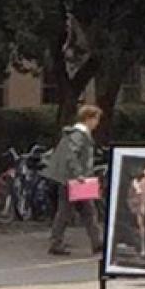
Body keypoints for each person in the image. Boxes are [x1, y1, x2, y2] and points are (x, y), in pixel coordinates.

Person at [44, 105, 105, 256]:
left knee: (84, 211)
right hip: (75, 181)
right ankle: (58, 243)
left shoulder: (77, 134)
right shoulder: (79, 135)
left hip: (74, 181)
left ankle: (95, 243)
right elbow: (71, 155)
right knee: (73, 212)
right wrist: (79, 174)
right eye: (96, 119)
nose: (97, 123)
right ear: (89, 119)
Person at [127, 165, 145, 258]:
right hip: (141, 209)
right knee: (143, 230)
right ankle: (144, 249)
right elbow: (131, 196)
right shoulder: (135, 183)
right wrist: (134, 208)